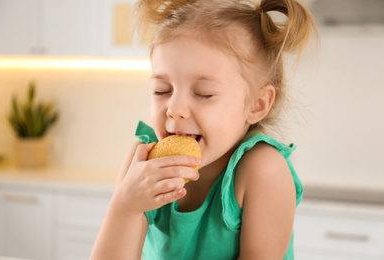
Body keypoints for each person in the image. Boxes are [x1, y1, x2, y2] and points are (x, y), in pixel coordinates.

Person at [91, 0, 316, 259]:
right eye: (161, 90)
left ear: (257, 104)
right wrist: (126, 206)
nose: (174, 108)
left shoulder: (262, 171)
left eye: (203, 93)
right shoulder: (143, 160)